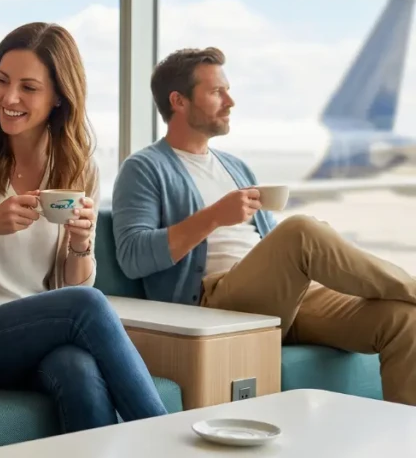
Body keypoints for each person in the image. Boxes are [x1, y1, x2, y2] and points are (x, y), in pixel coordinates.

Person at [111, 46, 416, 405]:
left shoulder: (235, 166)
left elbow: (271, 244)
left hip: (281, 295)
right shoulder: (144, 168)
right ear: (178, 101)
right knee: (300, 230)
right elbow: (133, 256)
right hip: (215, 298)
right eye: (216, 92)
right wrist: (213, 217)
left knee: (404, 320)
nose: (230, 101)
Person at [0, 22, 168, 433]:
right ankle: (167, 439)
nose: (9, 98)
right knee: (89, 305)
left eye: (28, 88)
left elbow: (74, 284)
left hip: (40, 333)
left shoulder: (79, 166)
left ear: (59, 97)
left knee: (78, 370)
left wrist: (81, 244)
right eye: (2, 81)